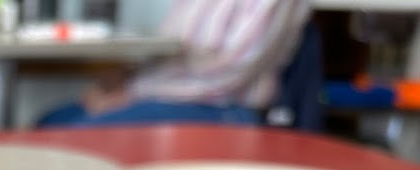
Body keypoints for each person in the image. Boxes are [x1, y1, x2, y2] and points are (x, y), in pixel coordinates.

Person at [36, 0, 313, 128]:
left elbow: (230, 73)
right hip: (165, 93)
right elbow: (174, 54)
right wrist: (124, 79)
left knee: (73, 135)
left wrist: (132, 93)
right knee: (50, 122)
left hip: (222, 107)